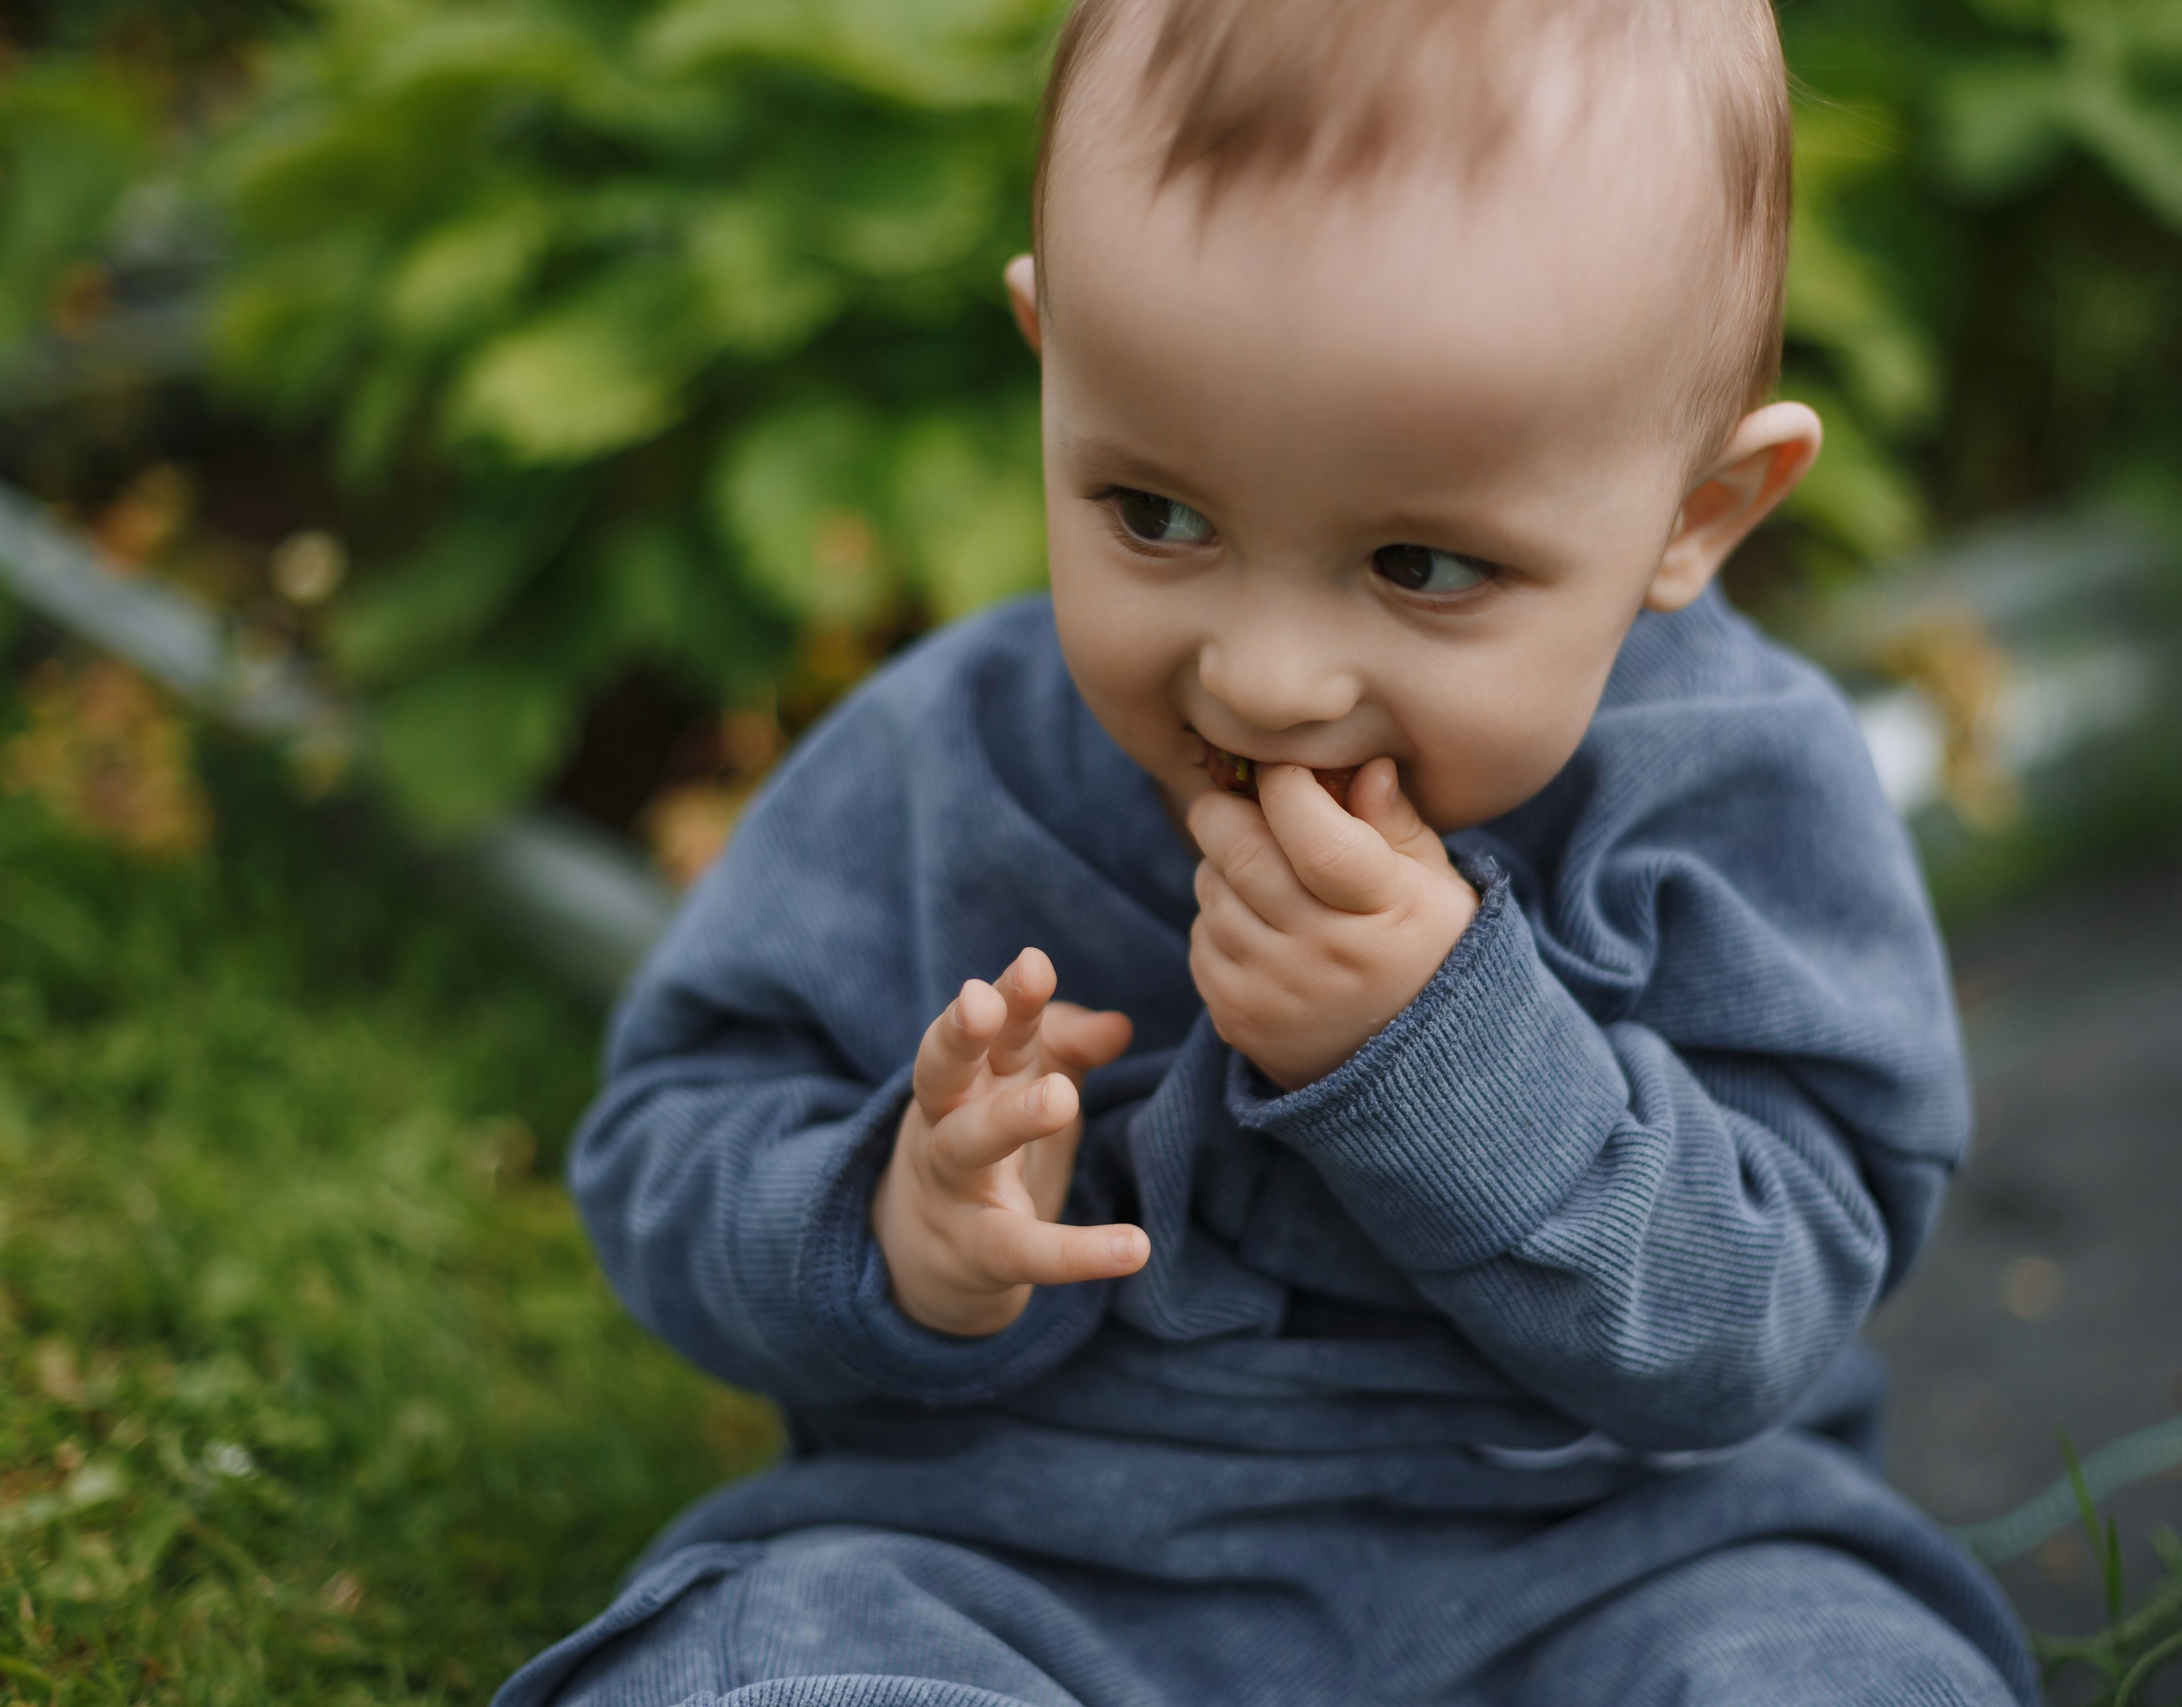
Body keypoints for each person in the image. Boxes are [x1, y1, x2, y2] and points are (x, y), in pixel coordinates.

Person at [495, 0, 2036, 1701]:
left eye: (1421, 566)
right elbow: (667, 1140)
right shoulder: (946, 765)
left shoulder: (1734, 797)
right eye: (1159, 517)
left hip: (1609, 1555)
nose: (1266, 678)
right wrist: (893, 1226)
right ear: (1054, 365)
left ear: (1696, 514)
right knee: (757, 1667)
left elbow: (1767, 1307)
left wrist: (1445, 1052)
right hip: (1018, 1557)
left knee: (1826, 1671)